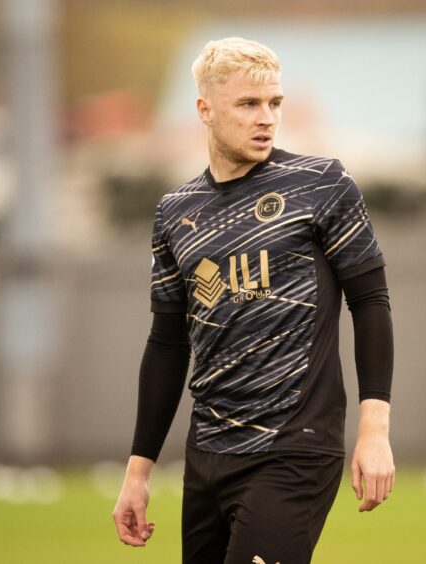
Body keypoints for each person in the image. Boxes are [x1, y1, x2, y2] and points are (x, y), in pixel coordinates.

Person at [112, 36, 395, 564]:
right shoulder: (176, 213)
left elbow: (372, 301)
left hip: (295, 445)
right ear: (205, 109)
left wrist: (374, 430)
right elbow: (167, 345)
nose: (266, 117)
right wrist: (138, 473)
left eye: (275, 103)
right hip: (208, 454)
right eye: (248, 104)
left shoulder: (321, 184)